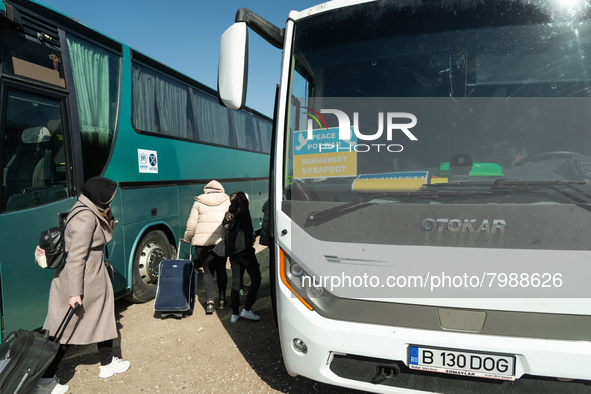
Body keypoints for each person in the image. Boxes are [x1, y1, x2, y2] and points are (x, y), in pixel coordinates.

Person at [34, 176, 130, 394]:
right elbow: (76, 257)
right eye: (108, 201)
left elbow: (101, 236)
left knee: (104, 318)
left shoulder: (88, 209)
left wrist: (108, 215)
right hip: (84, 279)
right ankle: (45, 380)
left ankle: (107, 364)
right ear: (100, 200)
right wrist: (74, 293)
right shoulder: (85, 218)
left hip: (93, 277)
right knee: (65, 330)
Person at [183, 180, 230, 314]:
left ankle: (210, 302)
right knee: (221, 270)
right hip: (220, 242)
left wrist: (188, 237)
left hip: (202, 243)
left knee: (208, 272)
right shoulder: (227, 201)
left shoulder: (199, 202)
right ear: (221, 189)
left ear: (206, 190)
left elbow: (192, 223)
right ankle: (222, 299)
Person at [223, 192, 262, 323]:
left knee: (236, 282)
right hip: (245, 252)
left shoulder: (228, 215)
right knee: (256, 279)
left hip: (233, 252)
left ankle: (235, 313)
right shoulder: (244, 211)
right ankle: (247, 309)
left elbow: (226, 227)